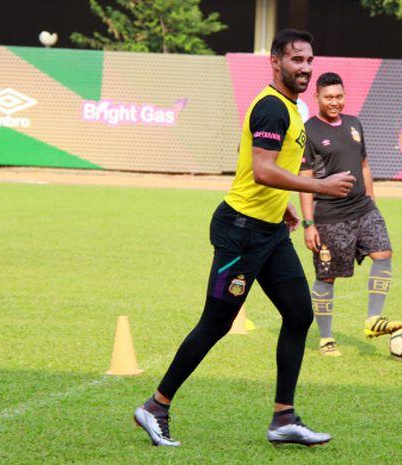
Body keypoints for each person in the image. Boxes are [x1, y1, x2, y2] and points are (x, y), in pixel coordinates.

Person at [134, 29, 356, 447]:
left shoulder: (290, 107)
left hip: (269, 231)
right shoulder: (272, 107)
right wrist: (321, 188)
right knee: (216, 323)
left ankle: (283, 419)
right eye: (296, 60)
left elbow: (265, 168)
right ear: (276, 62)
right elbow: (262, 169)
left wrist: (283, 205)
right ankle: (156, 406)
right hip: (241, 232)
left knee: (298, 314)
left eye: (309, 60)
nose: (305, 68)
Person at [299, 72, 402, 357]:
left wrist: (372, 199)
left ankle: (373, 319)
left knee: (383, 253)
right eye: (328, 97)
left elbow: (364, 164)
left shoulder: (355, 124)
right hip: (330, 215)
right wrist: (309, 224)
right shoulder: (308, 131)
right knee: (327, 277)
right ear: (317, 97)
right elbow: (305, 179)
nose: (334, 102)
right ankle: (325, 338)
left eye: (339, 96)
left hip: (364, 208)